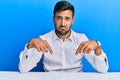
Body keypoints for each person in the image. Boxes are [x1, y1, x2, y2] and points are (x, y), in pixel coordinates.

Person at [19, 0, 109, 73]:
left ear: (72, 20)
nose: (63, 23)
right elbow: (23, 69)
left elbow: (103, 70)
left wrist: (97, 47)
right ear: (53, 19)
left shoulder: (81, 39)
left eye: (67, 18)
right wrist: (30, 45)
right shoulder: (44, 40)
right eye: (59, 18)